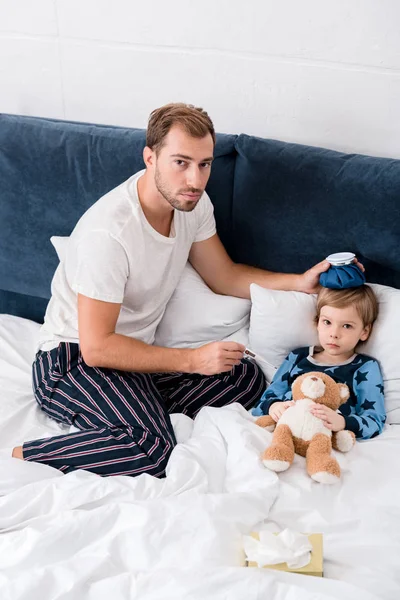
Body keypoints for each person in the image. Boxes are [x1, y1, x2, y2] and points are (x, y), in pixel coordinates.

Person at [13, 102, 347, 477]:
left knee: (245, 377)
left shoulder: (193, 204)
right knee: (154, 450)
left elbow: (223, 276)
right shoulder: (108, 234)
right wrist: (192, 361)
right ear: (150, 157)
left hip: (135, 361)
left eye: (204, 164)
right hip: (72, 361)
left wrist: (299, 283)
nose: (195, 179)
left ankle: (139, 409)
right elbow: (97, 347)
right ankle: (20, 456)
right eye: (181, 163)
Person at [252, 285, 386, 439]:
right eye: (327, 322)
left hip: (325, 440)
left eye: (347, 326)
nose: (334, 334)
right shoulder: (297, 357)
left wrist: (343, 422)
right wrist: (274, 406)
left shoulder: (365, 367)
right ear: (317, 322)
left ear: (364, 331)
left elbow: (375, 420)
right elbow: (264, 400)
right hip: (285, 433)